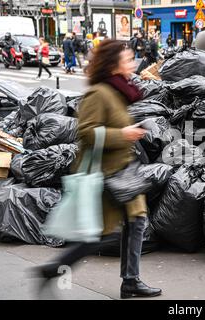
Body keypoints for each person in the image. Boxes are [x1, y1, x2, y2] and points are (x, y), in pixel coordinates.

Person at [34, 39, 162, 299]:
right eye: (127, 59)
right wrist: (123, 134)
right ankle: (52, 269)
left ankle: (131, 281)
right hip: (103, 175)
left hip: (124, 171)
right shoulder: (99, 93)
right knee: (96, 236)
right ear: (114, 65)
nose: (133, 63)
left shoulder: (120, 91)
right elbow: (86, 132)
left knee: (137, 221)